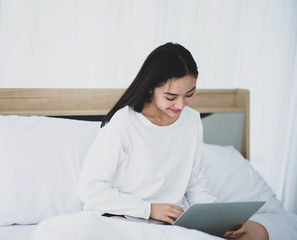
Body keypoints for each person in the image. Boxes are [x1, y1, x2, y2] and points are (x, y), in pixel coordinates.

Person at [77, 42, 268, 240]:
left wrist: (221, 219)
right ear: (151, 88)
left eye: (189, 94)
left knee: (257, 233)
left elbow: (196, 184)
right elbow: (89, 189)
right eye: (171, 97)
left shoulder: (192, 121)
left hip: (172, 220)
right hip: (124, 215)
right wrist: (148, 209)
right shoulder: (124, 122)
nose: (180, 104)